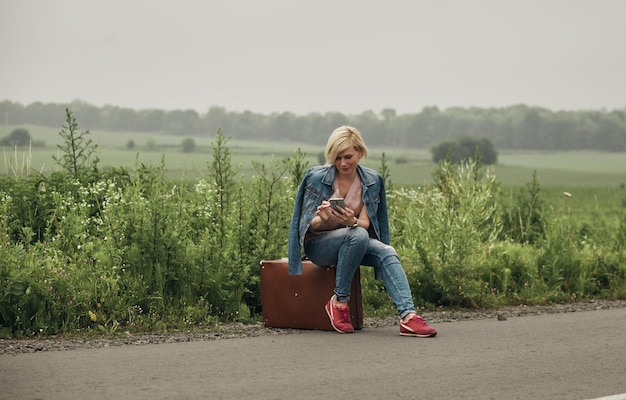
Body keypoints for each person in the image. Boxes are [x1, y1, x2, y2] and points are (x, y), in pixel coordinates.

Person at [288, 125, 437, 337]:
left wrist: (351, 221)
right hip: (319, 245)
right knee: (356, 235)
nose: (342, 163)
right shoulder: (316, 177)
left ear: (359, 151)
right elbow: (305, 226)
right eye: (337, 158)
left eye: (348, 156)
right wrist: (322, 220)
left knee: (386, 250)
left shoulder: (372, 181)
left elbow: (365, 224)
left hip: (354, 239)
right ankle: (339, 302)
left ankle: (409, 317)